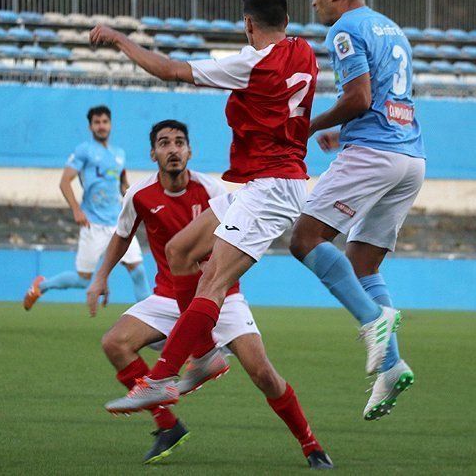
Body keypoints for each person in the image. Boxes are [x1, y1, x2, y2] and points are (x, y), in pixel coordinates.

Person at [89, 0, 397, 413]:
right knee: (181, 251)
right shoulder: (303, 51)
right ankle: (205, 357)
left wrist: (120, 39)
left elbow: (170, 70)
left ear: (248, 24)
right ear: (286, 23)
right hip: (262, 185)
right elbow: (265, 49)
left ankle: (160, 378)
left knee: (213, 279)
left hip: (273, 188)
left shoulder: (251, 64)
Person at [86, 120, 332, 468]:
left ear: (189, 151)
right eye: (164, 143)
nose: (173, 149)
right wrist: (100, 278)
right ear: (153, 153)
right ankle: (168, 425)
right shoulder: (139, 195)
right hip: (169, 296)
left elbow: (239, 237)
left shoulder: (213, 191)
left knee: (262, 373)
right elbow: (122, 236)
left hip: (222, 295)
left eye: (179, 142)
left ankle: (311, 444)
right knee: (114, 342)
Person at [289, 0, 425, 421]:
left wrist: (310, 127)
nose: (312, 2)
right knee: (362, 262)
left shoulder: (344, 29)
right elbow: (384, 101)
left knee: (305, 239)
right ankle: (391, 367)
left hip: (375, 154)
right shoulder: (392, 29)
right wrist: (341, 134)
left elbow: (359, 98)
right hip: (410, 158)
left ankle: (374, 320)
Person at [23, 105, 149, 310]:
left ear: (111, 124)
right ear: (90, 126)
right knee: (82, 280)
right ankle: (41, 286)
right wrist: (76, 209)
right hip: (94, 224)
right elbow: (65, 182)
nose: (101, 126)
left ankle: (154, 321)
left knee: (138, 271)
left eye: (105, 122)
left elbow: (122, 185)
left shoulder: (119, 154)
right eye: (97, 122)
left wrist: (136, 200)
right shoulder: (84, 150)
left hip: (118, 223)